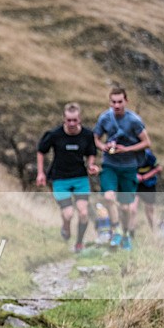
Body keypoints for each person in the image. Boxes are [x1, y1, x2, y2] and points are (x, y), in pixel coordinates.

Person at [92, 87, 152, 251]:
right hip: (110, 165)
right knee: (109, 198)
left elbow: (147, 143)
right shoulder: (105, 118)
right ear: (109, 102)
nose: (116, 105)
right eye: (113, 102)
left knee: (126, 208)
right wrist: (104, 146)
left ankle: (127, 236)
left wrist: (126, 149)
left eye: (120, 102)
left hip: (128, 167)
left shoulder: (134, 120)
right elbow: (95, 138)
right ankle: (116, 230)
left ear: (126, 101)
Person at [36, 102, 99, 253]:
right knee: (69, 213)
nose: (71, 123)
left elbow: (91, 153)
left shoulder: (88, 135)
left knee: (83, 212)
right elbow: (40, 150)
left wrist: (91, 166)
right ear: (64, 119)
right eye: (68, 120)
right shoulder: (55, 134)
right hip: (60, 179)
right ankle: (66, 227)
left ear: (80, 119)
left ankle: (79, 243)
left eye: (74, 120)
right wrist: (40, 173)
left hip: (80, 178)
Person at [129, 148, 163, 233]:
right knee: (132, 209)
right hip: (134, 184)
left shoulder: (148, 155)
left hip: (148, 184)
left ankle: (155, 232)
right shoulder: (127, 155)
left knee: (149, 210)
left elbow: (159, 169)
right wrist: (134, 175)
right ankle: (130, 234)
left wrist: (145, 177)